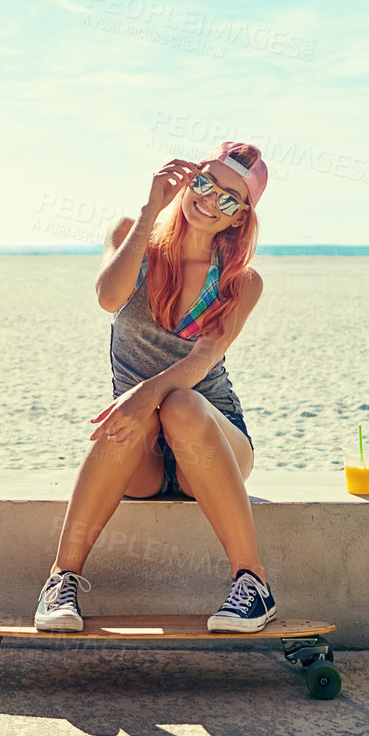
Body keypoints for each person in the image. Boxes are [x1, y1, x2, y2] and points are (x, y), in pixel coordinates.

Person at [34, 142, 274, 632]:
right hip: (141, 455)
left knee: (181, 404)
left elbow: (203, 359)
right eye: (204, 183)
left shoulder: (241, 282)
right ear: (187, 180)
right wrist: (151, 210)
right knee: (135, 416)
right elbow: (108, 297)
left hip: (212, 444)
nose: (210, 200)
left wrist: (145, 393)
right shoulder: (131, 235)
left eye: (229, 199)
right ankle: (61, 582)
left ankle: (254, 585)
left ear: (239, 218)